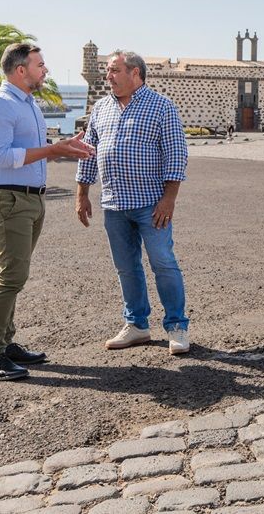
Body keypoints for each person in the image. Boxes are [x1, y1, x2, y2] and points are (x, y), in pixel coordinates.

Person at [0, 43, 94, 381]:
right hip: (8, 200)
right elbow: (0, 158)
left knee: (15, 275)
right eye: (40, 65)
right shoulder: (0, 105)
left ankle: (5, 343)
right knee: (11, 276)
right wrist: (52, 149)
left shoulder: (27, 105)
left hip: (30, 200)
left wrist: (63, 148)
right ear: (20, 70)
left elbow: (31, 151)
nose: (46, 71)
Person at [76, 50, 191, 355]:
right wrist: (82, 193)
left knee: (163, 263)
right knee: (126, 267)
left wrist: (169, 199)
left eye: (114, 70)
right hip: (113, 204)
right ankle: (137, 325)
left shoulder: (162, 107)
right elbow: (89, 151)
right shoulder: (101, 108)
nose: (108, 77)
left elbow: (176, 154)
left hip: (151, 204)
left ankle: (177, 327)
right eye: (107, 71)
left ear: (135, 73)